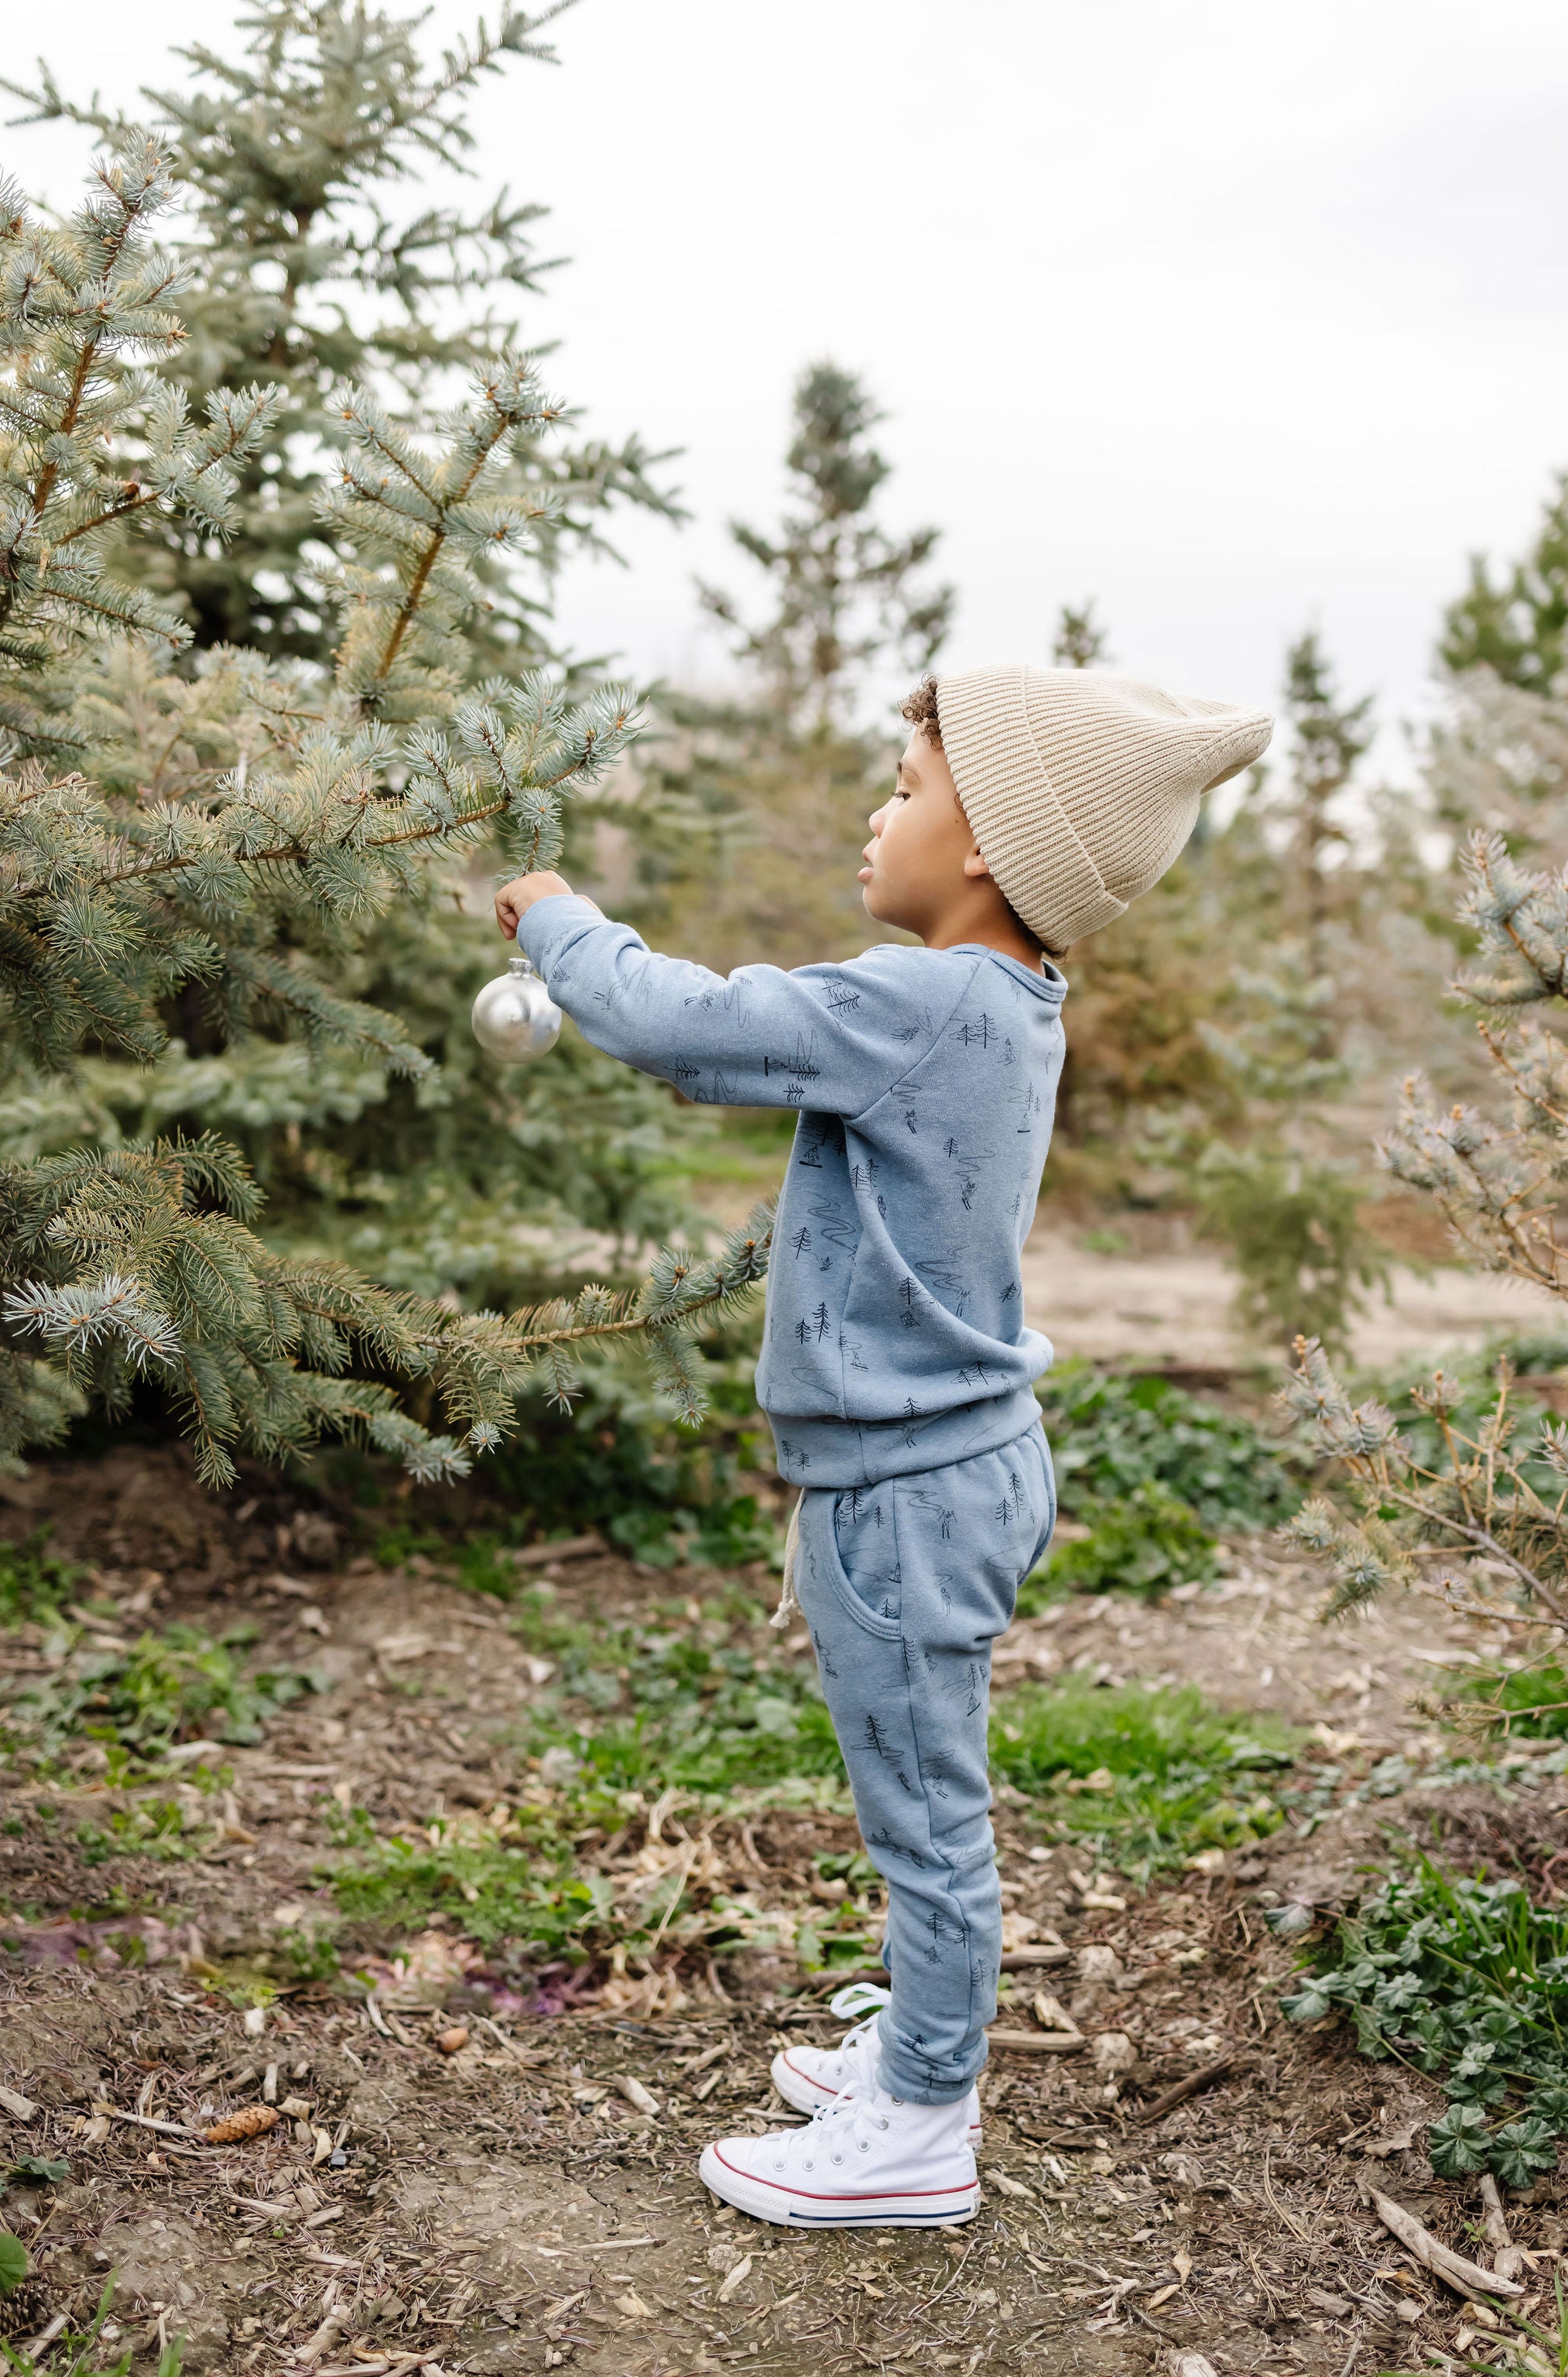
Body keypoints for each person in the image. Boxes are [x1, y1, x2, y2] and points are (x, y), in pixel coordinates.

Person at [495, 663, 1272, 2228]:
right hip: (938, 1466)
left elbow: (685, 1026)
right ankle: (916, 2053)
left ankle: (920, 2120)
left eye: (909, 787)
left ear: (989, 845)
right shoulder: (1003, 1000)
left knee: (923, 1809)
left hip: (910, 1490)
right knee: (914, 1789)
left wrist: (554, 918)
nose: (879, 810)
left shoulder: (923, 1000)